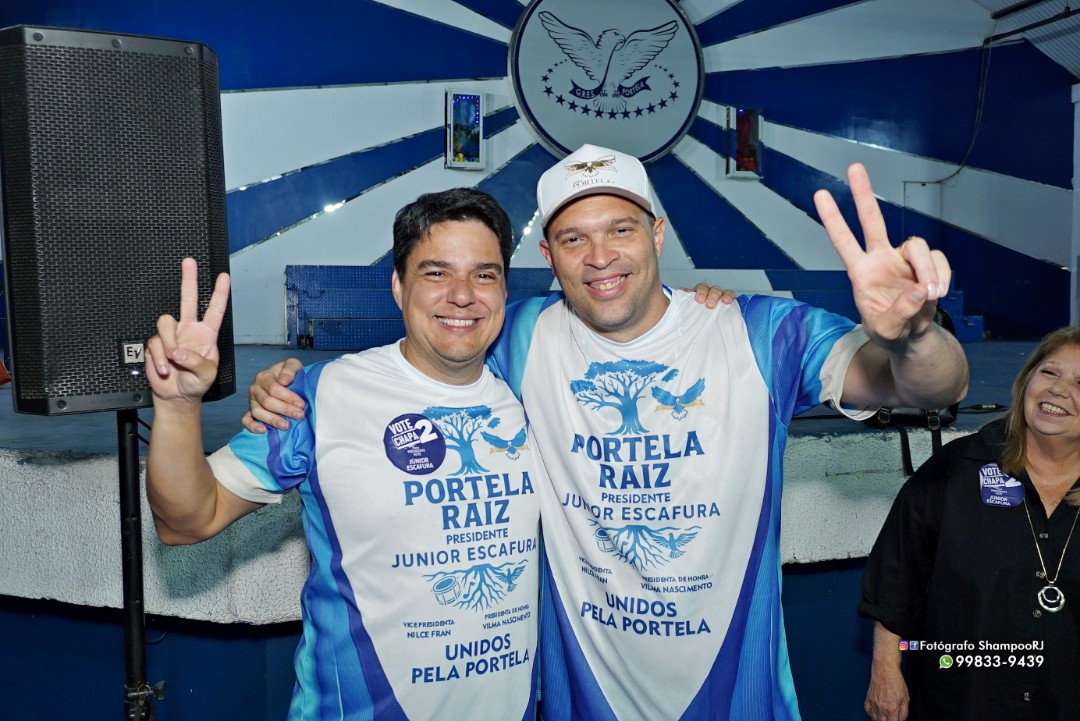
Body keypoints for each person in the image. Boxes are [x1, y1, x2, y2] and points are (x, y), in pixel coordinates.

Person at [246, 144, 969, 720]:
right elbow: (424, 349)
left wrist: (914, 335)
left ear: (657, 233)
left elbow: (933, 386)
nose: (600, 256)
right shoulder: (519, 335)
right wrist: (295, 388)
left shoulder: (758, 332)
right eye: (574, 238)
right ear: (549, 257)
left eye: (620, 229)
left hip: (736, 697)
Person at [144, 188, 544, 721]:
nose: (462, 295)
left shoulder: (533, 386)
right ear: (398, 287)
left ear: (504, 288)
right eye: (436, 273)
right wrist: (177, 408)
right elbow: (187, 519)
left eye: (484, 275)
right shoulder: (321, 395)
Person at [860, 327, 1080, 721]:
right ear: (1027, 379)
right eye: (1050, 372)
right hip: (964, 703)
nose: (1059, 389)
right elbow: (896, 575)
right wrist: (886, 670)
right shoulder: (958, 468)